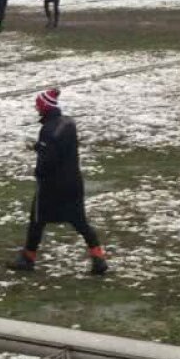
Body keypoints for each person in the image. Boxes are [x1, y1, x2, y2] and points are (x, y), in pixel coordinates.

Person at [10, 89, 108, 275]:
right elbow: (60, 149)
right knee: (80, 222)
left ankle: (28, 258)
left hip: (52, 186)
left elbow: (49, 159)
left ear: (44, 108)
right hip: (73, 183)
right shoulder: (68, 123)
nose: (36, 109)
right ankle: (98, 257)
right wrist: (39, 147)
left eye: (38, 106)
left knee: (37, 220)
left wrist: (38, 171)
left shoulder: (47, 130)